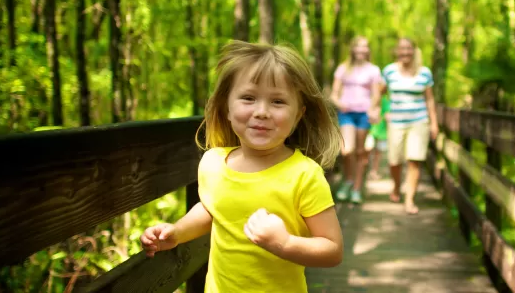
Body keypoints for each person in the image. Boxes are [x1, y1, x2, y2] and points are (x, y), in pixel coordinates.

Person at [140, 41, 344, 292]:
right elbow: (212, 209)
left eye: (278, 102)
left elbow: (332, 249)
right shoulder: (213, 162)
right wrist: (177, 232)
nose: (262, 112)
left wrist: (285, 243)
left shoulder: (303, 175)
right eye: (248, 98)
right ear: (227, 107)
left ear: (298, 115)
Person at [368, 38, 438, 215]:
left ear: (414, 50)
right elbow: (380, 92)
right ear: (397, 51)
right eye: (402, 49)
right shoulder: (389, 71)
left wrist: (434, 123)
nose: (405, 52)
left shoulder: (424, 73)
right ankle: (397, 186)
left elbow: (429, 99)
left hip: (419, 121)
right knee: (394, 160)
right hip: (396, 122)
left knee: (414, 160)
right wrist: (374, 108)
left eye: (408, 49)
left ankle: (409, 200)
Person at [329, 36, 382, 204]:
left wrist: (373, 109)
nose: (361, 50)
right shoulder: (343, 69)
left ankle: (357, 188)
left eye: (365, 47)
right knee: (346, 150)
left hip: (363, 115)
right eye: (358, 47)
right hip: (347, 114)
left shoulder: (373, 70)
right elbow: (334, 94)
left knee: (360, 152)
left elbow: (376, 94)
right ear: (353, 49)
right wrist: (339, 103)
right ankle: (348, 181)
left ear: (368, 51)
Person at [364, 93, 390, 180]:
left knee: (376, 153)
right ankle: (368, 170)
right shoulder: (369, 98)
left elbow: (387, 115)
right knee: (369, 151)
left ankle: (373, 172)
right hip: (371, 131)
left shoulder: (385, 99)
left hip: (380, 131)